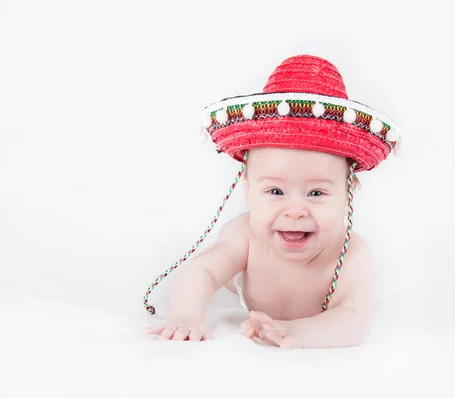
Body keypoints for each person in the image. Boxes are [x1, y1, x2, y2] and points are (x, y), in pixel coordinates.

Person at [143, 54, 403, 348]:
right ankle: (232, 277)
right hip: (242, 269)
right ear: (248, 189)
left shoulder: (353, 255)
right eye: (275, 192)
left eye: (316, 193)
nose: (294, 211)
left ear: (348, 194)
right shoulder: (246, 236)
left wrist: (297, 333)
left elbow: (352, 321)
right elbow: (201, 270)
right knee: (221, 256)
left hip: (315, 313)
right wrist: (185, 317)